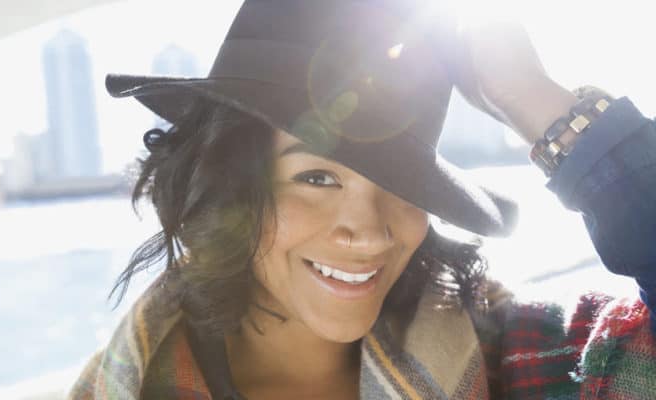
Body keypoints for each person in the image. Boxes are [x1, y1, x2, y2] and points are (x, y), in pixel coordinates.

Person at [69, 1, 656, 399]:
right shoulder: (121, 385)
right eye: (317, 178)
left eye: (402, 184)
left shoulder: (532, 362)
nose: (371, 232)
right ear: (225, 182)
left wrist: (538, 103)